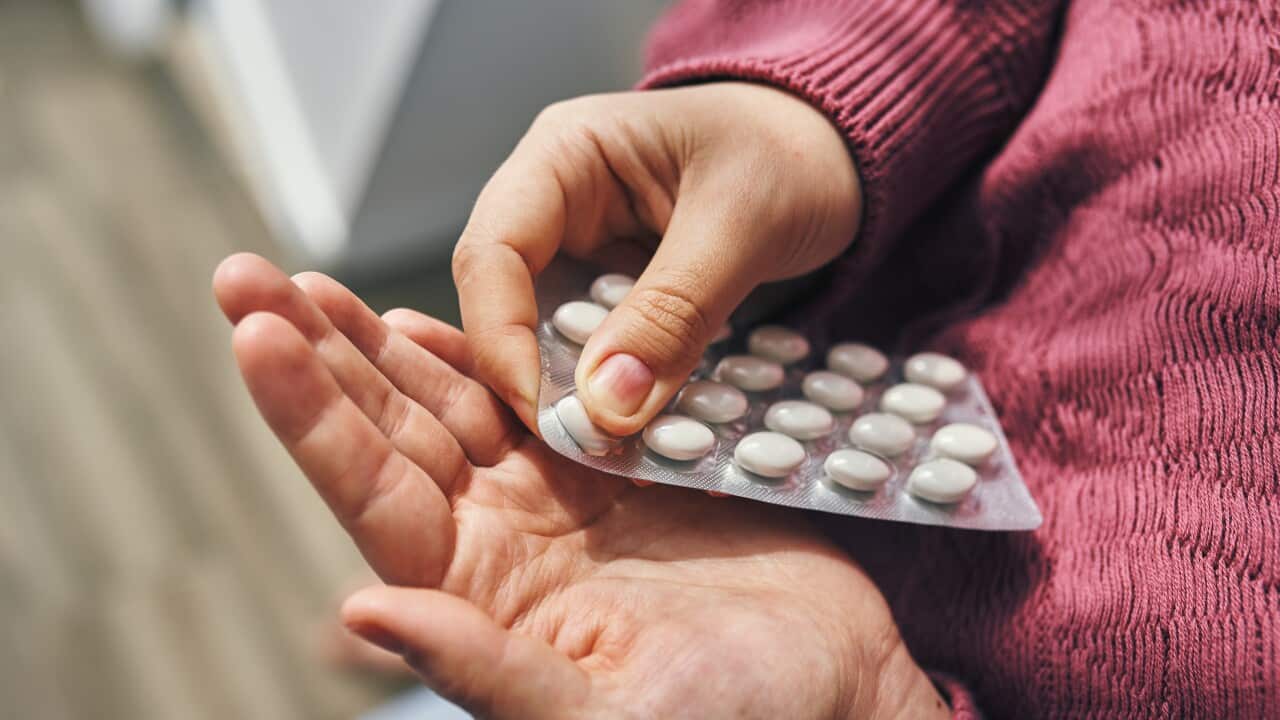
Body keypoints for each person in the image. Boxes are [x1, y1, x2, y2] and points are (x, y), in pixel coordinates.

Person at [213, 0, 1279, 716]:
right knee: (467, 611)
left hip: (824, 677)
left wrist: (878, 707)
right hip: (688, 515)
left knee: (460, 649)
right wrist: (816, 101)